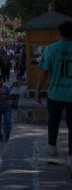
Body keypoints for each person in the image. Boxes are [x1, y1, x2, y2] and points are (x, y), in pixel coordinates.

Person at [35, 21, 72, 157]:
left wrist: (38, 89)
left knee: (53, 120)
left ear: (59, 33)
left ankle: (52, 146)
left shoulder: (51, 49)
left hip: (55, 92)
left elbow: (44, 71)